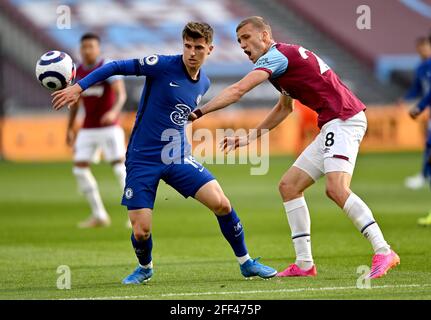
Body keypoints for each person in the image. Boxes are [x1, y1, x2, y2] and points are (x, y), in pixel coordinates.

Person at [51, 22, 277, 284]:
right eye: (188, 46)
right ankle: (145, 268)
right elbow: (114, 67)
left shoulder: (203, 82)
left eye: (199, 48)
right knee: (142, 231)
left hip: (177, 156)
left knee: (222, 204)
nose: (192, 52)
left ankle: (246, 263)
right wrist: (79, 87)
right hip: (142, 158)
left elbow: (179, 114)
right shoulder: (161, 65)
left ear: (210, 50)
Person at [189, 16, 399, 279]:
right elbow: (284, 108)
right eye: (239, 40)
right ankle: (304, 264)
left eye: (246, 38)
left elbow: (240, 89)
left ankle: (383, 250)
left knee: (336, 188)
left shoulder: (276, 57)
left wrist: (199, 112)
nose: (242, 45)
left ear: (265, 36)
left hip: (344, 119)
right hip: (333, 123)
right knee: (289, 186)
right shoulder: (283, 61)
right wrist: (249, 138)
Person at [67, 33, 128, 228]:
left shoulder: (107, 67)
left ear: (98, 48)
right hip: (87, 128)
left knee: (120, 168)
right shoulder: (77, 71)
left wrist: (113, 112)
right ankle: (99, 215)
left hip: (110, 127)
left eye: (91, 46)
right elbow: (75, 103)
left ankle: (134, 213)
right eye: (84, 47)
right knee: (79, 169)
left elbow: (121, 95)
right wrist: (70, 127)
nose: (87, 50)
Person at [404, 37, 431, 226]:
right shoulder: (421, 68)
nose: (422, 50)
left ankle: (423, 174)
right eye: (419, 47)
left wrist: (419, 107)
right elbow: (417, 89)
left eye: (425, 46)